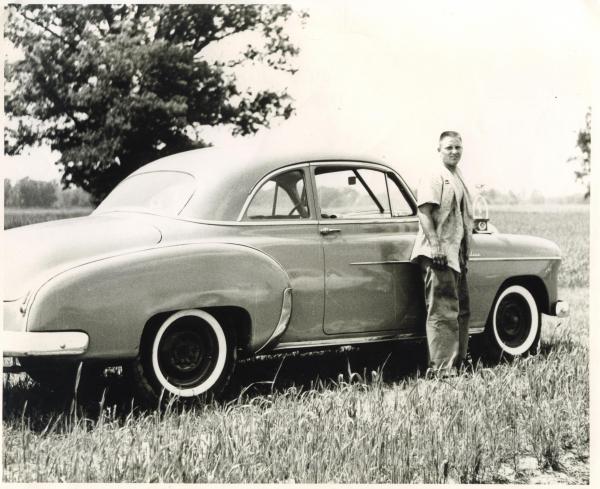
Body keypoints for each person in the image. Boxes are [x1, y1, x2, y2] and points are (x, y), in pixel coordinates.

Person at [410, 131, 474, 376]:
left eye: (458, 147)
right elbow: (424, 212)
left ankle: (458, 363)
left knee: (461, 310)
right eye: (449, 147)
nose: (454, 151)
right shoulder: (434, 175)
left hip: (455, 253)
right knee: (442, 311)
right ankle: (443, 370)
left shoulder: (458, 176)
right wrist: (435, 245)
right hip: (437, 252)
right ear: (439, 149)